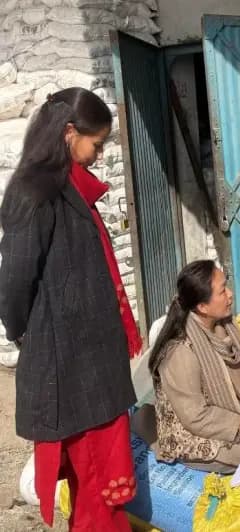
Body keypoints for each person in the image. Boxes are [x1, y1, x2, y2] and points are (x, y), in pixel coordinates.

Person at [0, 87, 142, 531]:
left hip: (94, 366)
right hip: (73, 369)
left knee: (102, 494)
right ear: (67, 133)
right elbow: (14, 282)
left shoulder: (72, 189)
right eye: (95, 144)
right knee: (99, 492)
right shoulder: (36, 193)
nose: (98, 155)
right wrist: (28, 333)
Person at [148, 260, 240, 474]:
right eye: (222, 291)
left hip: (234, 415)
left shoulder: (224, 328)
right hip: (194, 436)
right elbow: (195, 417)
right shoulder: (180, 351)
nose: (230, 294)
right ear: (202, 307)